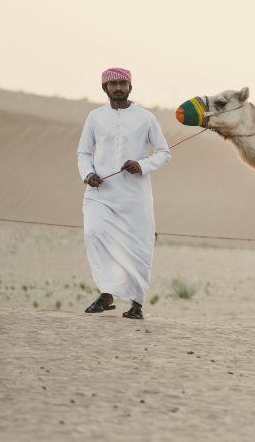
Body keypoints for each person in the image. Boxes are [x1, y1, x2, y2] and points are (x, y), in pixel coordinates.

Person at [77, 67, 171, 319]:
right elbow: (84, 153)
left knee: (137, 247)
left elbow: (164, 152)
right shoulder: (95, 117)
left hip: (134, 196)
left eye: (123, 83)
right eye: (113, 84)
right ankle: (107, 294)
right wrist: (87, 174)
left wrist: (142, 165)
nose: (118, 88)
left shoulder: (146, 118)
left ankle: (136, 303)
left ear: (131, 87)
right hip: (100, 193)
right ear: (104, 88)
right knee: (94, 233)